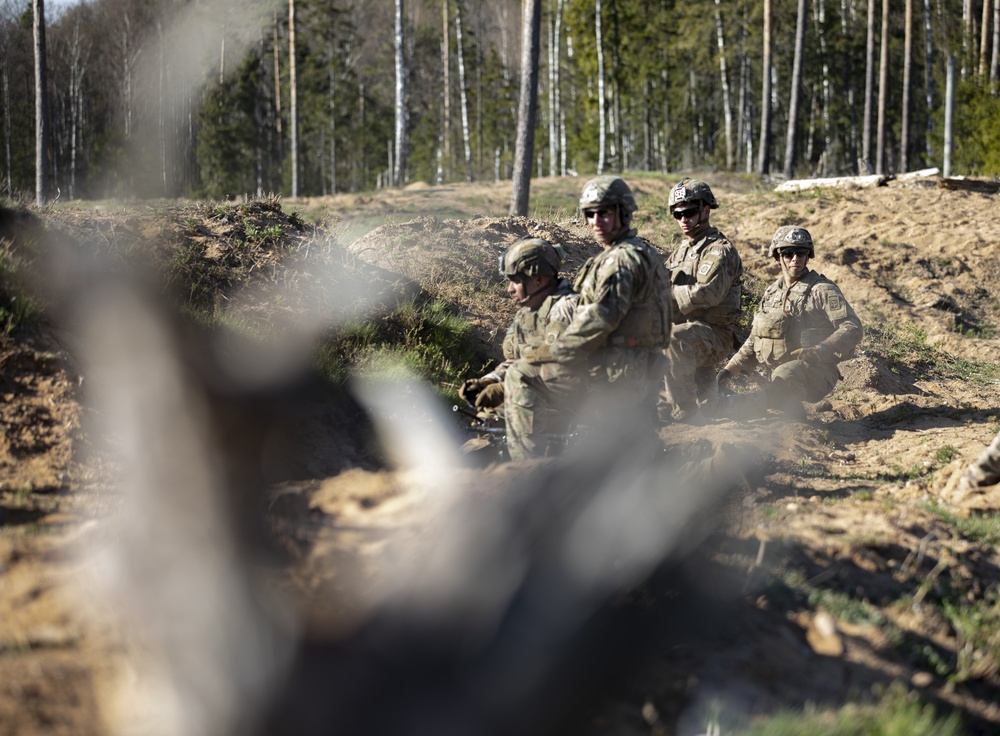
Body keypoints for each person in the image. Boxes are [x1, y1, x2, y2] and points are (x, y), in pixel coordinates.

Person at [508, 175, 673, 458]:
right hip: (637, 367)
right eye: (590, 213)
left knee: (520, 374)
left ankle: (526, 469)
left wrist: (544, 353)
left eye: (604, 212)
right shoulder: (643, 252)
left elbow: (598, 320)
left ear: (622, 212)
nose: (596, 220)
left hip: (613, 371)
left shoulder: (619, 260)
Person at [710, 225, 862, 420]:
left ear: (808, 255)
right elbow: (757, 339)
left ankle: (729, 408)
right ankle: (789, 409)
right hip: (779, 375)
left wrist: (821, 349)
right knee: (778, 384)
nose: (795, 259)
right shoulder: (772, 293)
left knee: (783, 377)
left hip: (817, 372)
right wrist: (727, 373)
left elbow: (852, 327)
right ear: (777, 257)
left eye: (801, 253)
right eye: (788, 253)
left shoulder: (822, 290)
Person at [459, 238, 580, 460]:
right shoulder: (526, 315)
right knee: (477, 439)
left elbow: (566, 371)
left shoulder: (569, 309)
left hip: (574, 410)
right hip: (529, 401)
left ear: (538, 279)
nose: (509, 289)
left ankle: (528, 475)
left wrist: (506, 388)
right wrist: (490, 381)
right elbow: (515, 362)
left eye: (515, 281)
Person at [659, 178, 743, 423]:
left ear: (705, 210)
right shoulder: (682, 251)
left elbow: (709, 293)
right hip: (691, 332)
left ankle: (685, 413)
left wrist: (667, 294)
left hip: (715, 335)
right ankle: (721, 405)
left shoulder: (719, 250)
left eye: (689, 212)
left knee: (672, 339)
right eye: (677, 214)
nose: (683, 219)